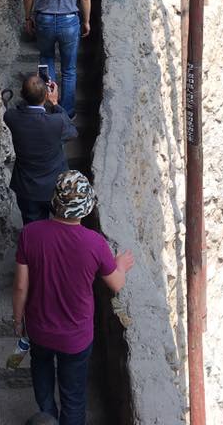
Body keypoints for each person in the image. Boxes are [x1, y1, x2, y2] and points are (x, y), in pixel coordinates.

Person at [13, 171, 135, 425]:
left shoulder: (30, 234)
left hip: (39, 330)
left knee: (43, 382)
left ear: (54, 200)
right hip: (75, 337)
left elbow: (21, 287)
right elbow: (116, 283)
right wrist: (120, 264)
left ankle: (47, 419)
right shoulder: (95, 243)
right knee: (74, 397)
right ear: (86, 207)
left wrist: (18, 320)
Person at [23, 0, 90, 118]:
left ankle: (47, 106)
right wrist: (86, 21)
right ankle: (67, 112)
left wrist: (28, 17)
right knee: (69, 69)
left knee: (47, 59)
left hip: (44, 19)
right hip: (69, 21)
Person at [4, 74, 78, 225]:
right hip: (55, 187)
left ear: (21, 94)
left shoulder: (11, 117)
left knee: (33, 229)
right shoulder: (56, 122)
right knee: (62, 227)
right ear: (46, 95)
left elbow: (18, 109)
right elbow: (72, 133)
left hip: (27, 187)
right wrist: (55, 103)